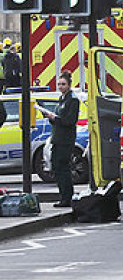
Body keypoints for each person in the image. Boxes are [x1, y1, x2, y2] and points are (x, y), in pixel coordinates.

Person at [43, 71, 80, 208]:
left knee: (63, 168)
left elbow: (70, 120)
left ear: (69, 85)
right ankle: (63, 196)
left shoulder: (72, 100)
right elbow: (59, 121)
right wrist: (51, 118)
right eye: (59, 84)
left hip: (66, 140)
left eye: (63, 84)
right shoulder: (61, 99)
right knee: (57, 168)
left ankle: (67, 197)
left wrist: (55, 118)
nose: (60, 86)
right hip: (57, 139)